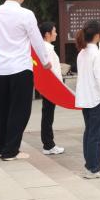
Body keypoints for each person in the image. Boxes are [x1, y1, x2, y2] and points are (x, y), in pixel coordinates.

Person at [0, 0, 51, 161]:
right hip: (20, 67)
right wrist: (45, 61)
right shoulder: (26, 14)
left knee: (0, 108)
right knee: (20, 110)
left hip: (1, 67)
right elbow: (36, 40)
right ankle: (10, 151)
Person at [75, 20, 100, 178]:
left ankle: (90, 166)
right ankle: (94, 168)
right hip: (97, 100)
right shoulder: (97, 55)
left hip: (86, 99)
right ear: (98, 35)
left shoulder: (82, 53)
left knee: (90, 133)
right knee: (97, 135)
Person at [38, 21, 65, 156]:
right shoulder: (47, 49)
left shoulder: (45, 48)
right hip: (51, 86)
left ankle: (48, 144)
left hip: (49, 86)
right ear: (47, 34)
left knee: (47, 115)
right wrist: (59, 87)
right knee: (48, 116)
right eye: (54, 31)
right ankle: (48, 145)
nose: (56, 34)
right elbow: (50, 70)